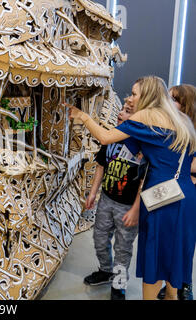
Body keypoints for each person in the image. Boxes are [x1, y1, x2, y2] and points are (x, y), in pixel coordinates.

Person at [66, 75, 196, 300]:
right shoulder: (182, 119)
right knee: (173, 261)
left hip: (161, 198)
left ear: (147, 95)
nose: (130, 98)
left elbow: (106, 138)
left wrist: (83, 117)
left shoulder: (147, 116)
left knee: (154, 263)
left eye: (135, 94)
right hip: (185, 196)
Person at [83, 99, 145, 300]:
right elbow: (101, 165)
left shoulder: (142, 144)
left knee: (123, 247)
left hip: (127, 206)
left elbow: (144, 178)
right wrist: (93, 192)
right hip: (106, 199)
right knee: (99, 237)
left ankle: (119, 285)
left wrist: (136, 208)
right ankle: (106, 270)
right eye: (122, 109)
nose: (121, 112)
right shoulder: (110, 138)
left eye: (128, 111)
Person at [156, 83, 196, 300]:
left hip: (188, 195)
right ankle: (171, 283)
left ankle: (183, 285)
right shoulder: (170, 126)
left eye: (174, 99)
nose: (168, 103)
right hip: (173, 191)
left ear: (186, 105)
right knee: (168, 242)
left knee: (184, 243)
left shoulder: (191, 129)